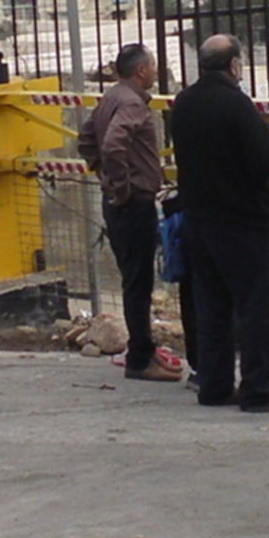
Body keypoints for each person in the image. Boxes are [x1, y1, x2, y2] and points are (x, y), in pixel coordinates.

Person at [170, 34, 269, 413]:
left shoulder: (183, 104)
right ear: (235, 66)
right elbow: (266, 163)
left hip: (198, 220)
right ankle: (257, 390)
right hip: (243, 224)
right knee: (256, 308)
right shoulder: (237, 106)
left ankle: (215, 386)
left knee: (211, 308)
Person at [77, 43, 182, 383]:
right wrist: (121, 187)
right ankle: (140, 358)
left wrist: (103, 175)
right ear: (141, 71)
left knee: (133, 280)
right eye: (153, 65)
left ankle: (145, 349)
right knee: (138, 284)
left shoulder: (111, 97)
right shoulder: (133, 104)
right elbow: (111, 144)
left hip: (121, 203)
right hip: (132, 204)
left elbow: (87, 139)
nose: (156, 71)